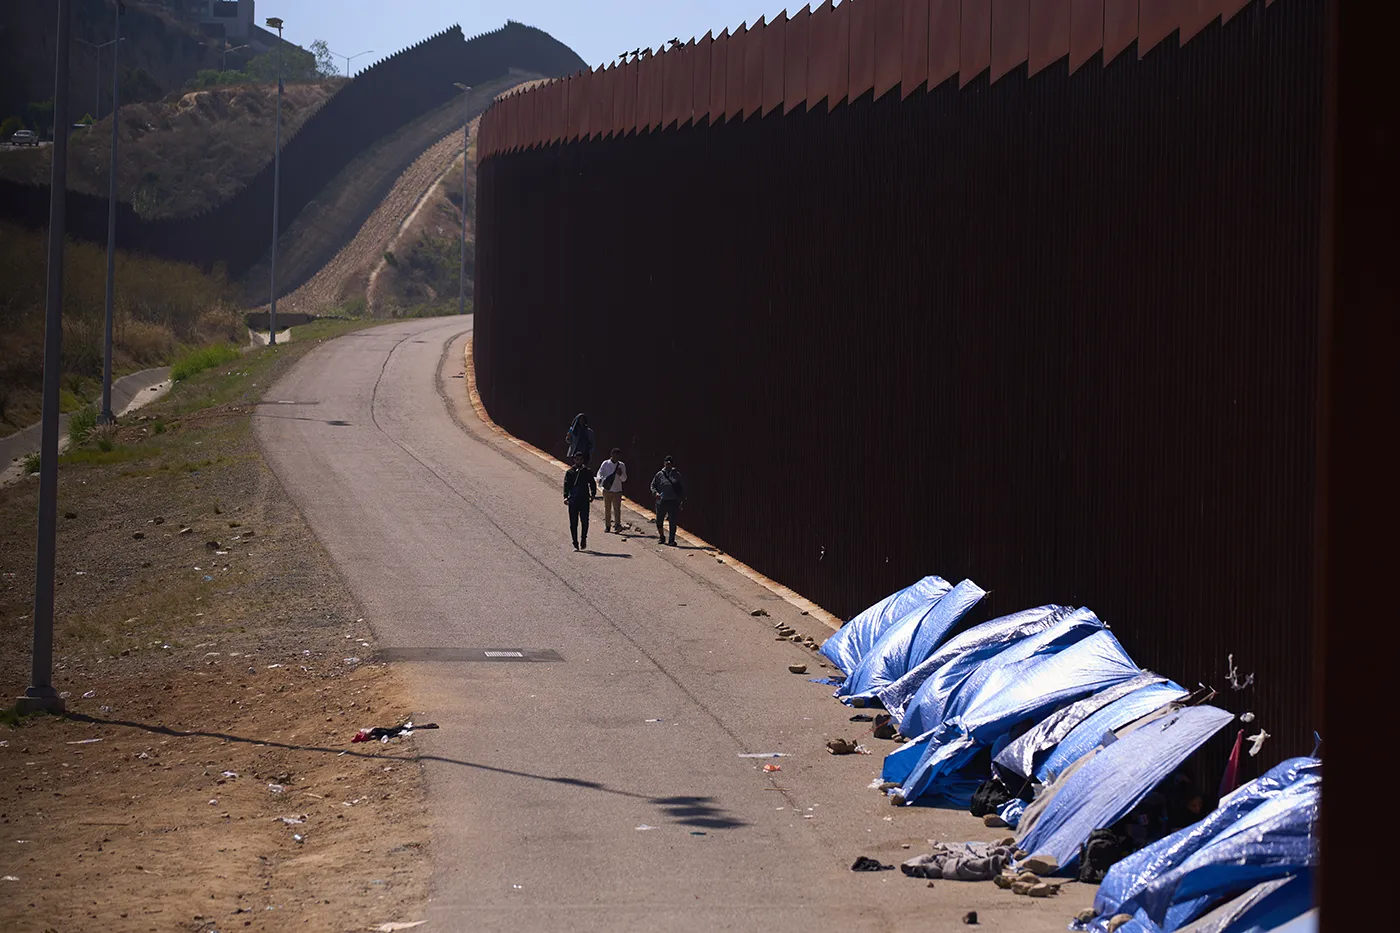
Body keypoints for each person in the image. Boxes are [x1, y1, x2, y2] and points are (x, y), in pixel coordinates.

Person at [563, 452, 596, 550]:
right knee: (573, 522)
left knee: (585, 520)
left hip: (584, 499)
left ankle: (583, 539)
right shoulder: (570, 472)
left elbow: (592, 483)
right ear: (574, 460)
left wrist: (593, 494)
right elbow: (566, 485)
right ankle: (575, 542)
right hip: (573, 500)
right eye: (577, 460)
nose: (579, 461)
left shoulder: (587, 471)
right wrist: (565, 496)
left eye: (581, 460)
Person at [649, 455, 684, 545]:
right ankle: (662, 537)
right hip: (662, 500)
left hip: (673, 501)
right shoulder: (659, 474)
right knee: (659, 520)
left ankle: (671, 540)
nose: (668, 465)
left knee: (673, 521)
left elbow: (681, 487)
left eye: (670, 464)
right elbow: (653, 485)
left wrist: (681, 499)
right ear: (664, 463)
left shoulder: (676, 474)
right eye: (667, 463)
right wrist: (655, 493)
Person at [596, 448, 627, 533]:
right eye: (615, 455)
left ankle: (617, 525)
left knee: (617, 509)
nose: (616, 457)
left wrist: (620, 474)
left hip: (617, 490)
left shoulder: (622, 465)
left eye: (618, 456)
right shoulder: (605, 463)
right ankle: (608, 526)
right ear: (611, 455)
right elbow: (599, 474)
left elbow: (624, 479)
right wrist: (601, 480)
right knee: (607, 509)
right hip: (607, 490)